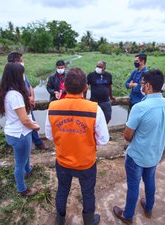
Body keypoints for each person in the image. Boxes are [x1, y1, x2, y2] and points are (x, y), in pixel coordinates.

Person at [45, 68, 109, 225]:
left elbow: (49, 136)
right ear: (85, 87)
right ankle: (88, 221)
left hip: (63, 161)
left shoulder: (53, 107)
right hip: (86, 162)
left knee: (62, 190)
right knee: (88, 193)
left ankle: (60, 220)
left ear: (64, 86)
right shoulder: (95, 109)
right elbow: (103, 140)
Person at [113, 69, 165, 224]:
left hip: (138, 155)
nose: (140, 86)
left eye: (141, 83)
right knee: (150, 181)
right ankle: (148, 207)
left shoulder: (140, 107)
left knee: (133, 187)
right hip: (155, 154)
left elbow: (127, 136)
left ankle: (127, 216)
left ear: (147, 86)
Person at [0, 63, 40, 197]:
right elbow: (25, 120)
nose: (23, 76)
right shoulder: (15, 95)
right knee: (19, 163)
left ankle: (28, 169)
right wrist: (35, 126)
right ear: (16, 76)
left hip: (14, 131)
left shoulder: (8, 92)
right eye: (21, 74)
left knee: (24, 155)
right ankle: (22, 189)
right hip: (20, 134)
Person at [7, 51, 49, 150]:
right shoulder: (9, 77)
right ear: (15, 62)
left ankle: (35, 143)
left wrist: (32, 97)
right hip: (20, 106)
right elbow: (14, 93)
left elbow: (29, 86)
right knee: (27, 123)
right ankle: (33, 144)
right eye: (20, 61)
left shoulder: (22, 74)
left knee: (31, 122)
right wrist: (26, 99)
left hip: (27, 104)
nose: (22, 62)